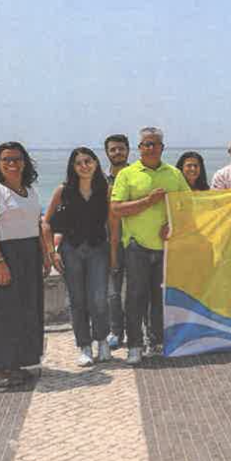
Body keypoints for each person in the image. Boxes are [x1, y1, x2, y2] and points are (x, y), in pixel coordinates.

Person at [110, 127, 191, 364]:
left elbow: (188, 205)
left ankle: (155, 342)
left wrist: (173, 224)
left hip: (165, 247)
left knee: (159, 298)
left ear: (162, 148)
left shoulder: (174, 174)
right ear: (140, 148)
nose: (151, 148)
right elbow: (116, 208)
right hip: (136, 246)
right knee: (135, 297)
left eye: (155, 144)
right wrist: (148, 201)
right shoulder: (127, 174)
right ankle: (134, 345)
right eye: (147, 144)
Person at [0, 142, 47, 388]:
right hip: (0, 255)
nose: (12, 163)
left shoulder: (29, 191)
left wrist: (45, 255)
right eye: (6, 159)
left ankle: (13, 364)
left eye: (17, 159)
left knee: (23, 312)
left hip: (28, 256)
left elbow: (36, 225)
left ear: (25, 162)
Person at [42, 148, 111, 366]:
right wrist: (52, 253)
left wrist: (115, 252)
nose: (84, 166)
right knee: (77, 300)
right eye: (79, 163)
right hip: (71, 250)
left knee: (99, 299)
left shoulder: (105, 189)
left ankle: (102, 341)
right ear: (73, 167)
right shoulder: (63, 190)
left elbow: (112, 223)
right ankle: (85, 346)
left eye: (88, 161)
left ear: (96, 163)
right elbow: (46, 223)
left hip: (98, 249)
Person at [103, 133, 130, 350]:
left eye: (121, 148)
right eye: (113, 149)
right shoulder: (100, 181)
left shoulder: (136, 176)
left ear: (128, 150)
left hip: (135, 241)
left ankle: (137, 331)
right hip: (108, 241)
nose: (117, 152)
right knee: (112, 292)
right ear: (107, 153)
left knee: (136, 292)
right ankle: (115, 332)